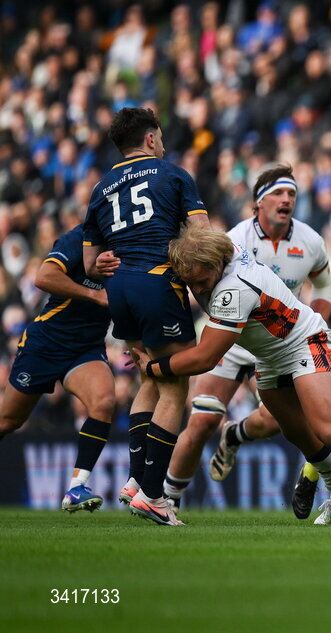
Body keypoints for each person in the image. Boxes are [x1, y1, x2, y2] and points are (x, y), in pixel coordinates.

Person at [134, 225, 331, 526]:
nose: (200, 289)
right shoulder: (222, 252)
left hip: (306, 342)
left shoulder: (234, 288)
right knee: (297, 432)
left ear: (218, 263)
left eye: (203, 280)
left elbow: (205, 357)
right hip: (269, 355)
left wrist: (153, 367)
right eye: (192, 283)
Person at [161, 164, 331, 520]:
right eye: (278, 194)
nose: (287, 200)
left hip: (278, 342)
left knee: (277, 422)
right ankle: (166, 498)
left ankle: (236, 436)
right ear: (258, 203)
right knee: (202, 419)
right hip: (230, 339)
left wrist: (315, 321)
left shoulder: (311, 241)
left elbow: (324, 285)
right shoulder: (234, 239)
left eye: (292, 194)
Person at [82, 106, 211, 527]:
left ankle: (137, 481)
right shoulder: (172, 175)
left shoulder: (100, 188)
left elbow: (89, 263)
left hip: (119, 288)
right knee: (174, 387)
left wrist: (107, 265)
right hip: (157, 282)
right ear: (152, 138)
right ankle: (154, 494)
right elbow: (202, 235)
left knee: (150, 380)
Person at [0, 226, 117, 512]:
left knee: (104, 402)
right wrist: (94, 296)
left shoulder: (137, 245)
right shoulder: (80, 237)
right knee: (8, 421)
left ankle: (76, 488)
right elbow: (44, 276)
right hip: (46, 343)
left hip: (86, 347)